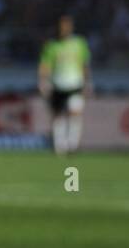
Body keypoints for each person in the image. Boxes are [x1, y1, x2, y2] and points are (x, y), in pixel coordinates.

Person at [39, 15, 92, 155]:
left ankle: (72, 144)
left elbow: (84, 64)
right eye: (62, 26)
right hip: (58, 84)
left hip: (75, 84)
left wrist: (88, 83)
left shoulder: (79, 43)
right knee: (58, 115)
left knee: (75, 113)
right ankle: (60, 146)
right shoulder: (52, 45)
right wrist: (43, 82)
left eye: (66, 26)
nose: (64, 29)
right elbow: (45, 66)